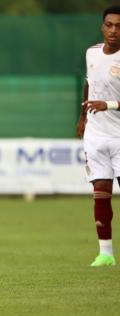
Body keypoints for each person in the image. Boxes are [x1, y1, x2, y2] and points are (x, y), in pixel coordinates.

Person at [76, 5, 120, 267]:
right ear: (102, 26)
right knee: (100, 192)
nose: (114, 31)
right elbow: (89, 82)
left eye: (119, 26)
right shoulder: (91, 52)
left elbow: (106, 99)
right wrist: (82, 117)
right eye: (110, 25)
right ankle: (106, 254)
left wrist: (110, 104)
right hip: (95, 134)